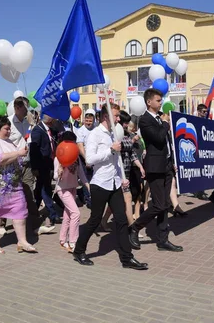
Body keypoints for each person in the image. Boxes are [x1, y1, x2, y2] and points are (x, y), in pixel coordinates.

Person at [73, 103, 147, 270]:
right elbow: (90, 160)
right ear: (106, 117)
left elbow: (117, 161)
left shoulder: (114, 134)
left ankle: (127, 258)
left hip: (114, 183)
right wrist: (110, 150)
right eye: (116, 115)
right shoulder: (95, 135)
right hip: (100, 183)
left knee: (121, 220)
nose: (119, 118)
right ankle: (79, 251)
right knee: (95, 220)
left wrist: (122, 177)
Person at [129, 89, 183, 252]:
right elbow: (158, 138)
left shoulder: (160, 118)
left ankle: (163, 239)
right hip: (155, 167)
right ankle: (135, 227)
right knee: (159, 205)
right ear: (149, 102)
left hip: (166, 165)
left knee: (165, 204)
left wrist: (172, 161)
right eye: (158, 100)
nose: (161, 103)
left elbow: (167, 143)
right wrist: (166, 124)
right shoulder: (145, 120)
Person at [0, 116, 36, 254]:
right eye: (6, 128)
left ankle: (22, 241)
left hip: (13, 186)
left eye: (9, 128)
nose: (9, 130)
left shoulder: (9, 141)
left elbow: (15, 157)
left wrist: (21, 154)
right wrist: (18, 153)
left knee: (20, 212)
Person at [9, 97, 54, 236]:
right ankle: (2, 222)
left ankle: (34, 226)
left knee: (29, 196)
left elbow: (31, 143)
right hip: (12, 165)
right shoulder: (8, 123)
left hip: (26, 164)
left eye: (28, 107)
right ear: (17, 108)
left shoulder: (28, 123)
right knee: (9, 195)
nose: (27, 110)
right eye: (24, 108)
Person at [54, 131, 88, 253]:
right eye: (71, 142)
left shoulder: (76, 157)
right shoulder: (59, 157)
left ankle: (62, 239)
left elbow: (82, 175)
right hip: (62, 189)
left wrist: (88, 187)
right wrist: (59, 170)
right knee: (76, 213)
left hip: (73, 188)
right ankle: (74, 241)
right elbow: (55, 177)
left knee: (68, 215)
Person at [30, 114, 63, 225]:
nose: (55, 119)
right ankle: (52, 214)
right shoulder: (37, 130)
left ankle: (33, 211)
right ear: (49, 119)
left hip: (50, 163)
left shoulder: (51, 129)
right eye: (53, 117)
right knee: (46, 189)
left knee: (40, 189)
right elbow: (33, 150)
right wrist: (34, 167)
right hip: (42, 164)